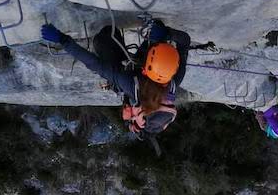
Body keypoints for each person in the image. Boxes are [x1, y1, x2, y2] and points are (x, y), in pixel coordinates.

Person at [42, 19, 191, 136]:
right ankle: (157, 37)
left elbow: (94, 64)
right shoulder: (175, 78)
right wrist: (167, 33)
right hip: (142, 66)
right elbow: (185, 41)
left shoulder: (130, 84)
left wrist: (63, 39)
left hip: (127, 71)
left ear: (146, 71)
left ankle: (121, 40)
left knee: (104, 37)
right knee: (158, 28)